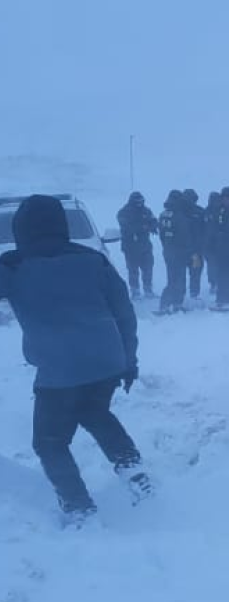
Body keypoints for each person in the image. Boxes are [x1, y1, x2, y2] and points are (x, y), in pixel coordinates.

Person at [0, 195, 152, 526]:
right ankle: (136, 474)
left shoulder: (13, 268)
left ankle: (79, 508)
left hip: (59, 371)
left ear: (21, 229)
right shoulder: (95, 260)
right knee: (95, 412)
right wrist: (129, 360)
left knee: (50, 442)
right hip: (107, 361)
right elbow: (125, 313)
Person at [156, 190, 195, 315]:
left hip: (168, 250)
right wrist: (188, 251)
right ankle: (170, 303)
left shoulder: (163, 214)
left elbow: (161, 234)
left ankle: (171, 303)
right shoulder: (180, 216)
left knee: (172, 277)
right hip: (180, 251)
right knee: (178, 279)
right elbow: (185, 236)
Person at [117, 191, 158, 298]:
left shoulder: (146, 210)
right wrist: (144, 227)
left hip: (145, 246)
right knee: (133, 269)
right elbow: (128, 227)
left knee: (148, 268)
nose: (140, 203)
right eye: (137, 201)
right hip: (130, 247)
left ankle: (148, 289)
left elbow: (153, 220)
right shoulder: (123, 212)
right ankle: (135, 291)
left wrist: (153, 226)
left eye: (141, 201)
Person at [181, 189, 207, 302]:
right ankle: (182, 295)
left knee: (195, 273)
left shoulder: (200, 212)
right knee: (182, 274)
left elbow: (207, 229)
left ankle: (193, 294)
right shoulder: (178, 212)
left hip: (195, 250)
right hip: (184, 250)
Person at [203, 191, 221, 295]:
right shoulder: (206, 212)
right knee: (212, 265)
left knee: (214, 265)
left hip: (215, 244)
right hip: (210, 244)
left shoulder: (206, 211)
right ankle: (214, 284)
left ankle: (216, 283)